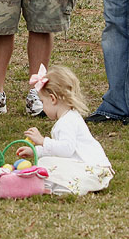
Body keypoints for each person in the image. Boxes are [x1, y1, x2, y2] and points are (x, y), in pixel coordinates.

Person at [16, 65, 114, 196]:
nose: (43, 107)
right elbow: (57, 151)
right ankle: (52, 185)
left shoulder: (67, 122)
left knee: (45, 164)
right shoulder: (69, 117)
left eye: (43, 102)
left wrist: (42, 141)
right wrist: (35, 151)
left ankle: (55, 187)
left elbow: (65, 150)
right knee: (46, 162)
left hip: (92, 170)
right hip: (94, 170)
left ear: (53, 99)